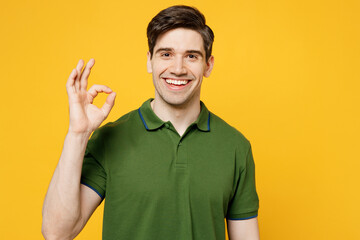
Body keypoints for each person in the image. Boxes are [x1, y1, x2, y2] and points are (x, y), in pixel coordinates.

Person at [42, 5, 260, 240]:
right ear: (149, 61)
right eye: (166, 54)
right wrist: (77, 134)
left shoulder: (235, 147)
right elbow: (57, 233)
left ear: (208, 65)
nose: (178, 69)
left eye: (191, 56)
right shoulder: (111, 139)